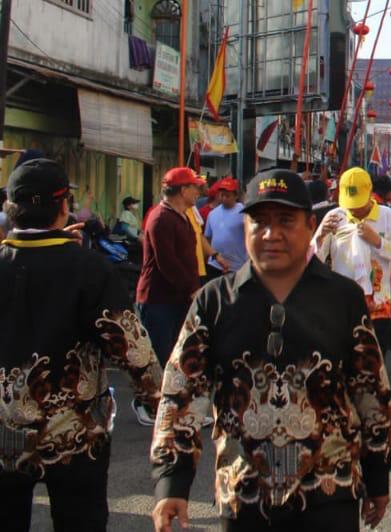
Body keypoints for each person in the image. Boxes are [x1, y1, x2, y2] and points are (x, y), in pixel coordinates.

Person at [150, 169, 391, 531]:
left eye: (285, 221)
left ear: (310, 225)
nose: (271, 233)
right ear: (245, 227)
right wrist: (171, 482)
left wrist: (377, 478)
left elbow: (372, 393)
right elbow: (181, 393)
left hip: (329, 493)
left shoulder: (343, 298)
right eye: (259, 221)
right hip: (244, 494)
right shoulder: (215, 300)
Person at [0, 158, 161, 531]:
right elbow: (132, 349)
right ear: (63, 206)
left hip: (5, 432)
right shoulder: (89, 268)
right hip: (75, 435)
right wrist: (161, 404)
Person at [312, 168, 391, 366]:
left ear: (369, 193)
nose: (353, 209)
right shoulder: (334, 216)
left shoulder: (388, 217)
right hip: (341, 305)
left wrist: (378, 242)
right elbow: (313, 259)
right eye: (350, 204)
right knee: (341, 364)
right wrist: (320, 235)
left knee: (372, 367)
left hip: (378, 306)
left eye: (358, 203)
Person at [136, 167, 205, 372]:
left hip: (179, 299)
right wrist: (192, 289)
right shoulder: (161, 218)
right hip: (159, 301)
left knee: (179, 358)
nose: (198, 192)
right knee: (161, 360)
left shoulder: (183, 216)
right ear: (183, 190)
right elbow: (167, 262)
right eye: (194, 187)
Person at [203, 179, 248, 273]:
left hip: (237, 266)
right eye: (222, 195)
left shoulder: (244, 212)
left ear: (235, 196)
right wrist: (213, 255)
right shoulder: (212, 214)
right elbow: (207, 238)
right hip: (215, 264)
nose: (223, 198)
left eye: (227, 196)